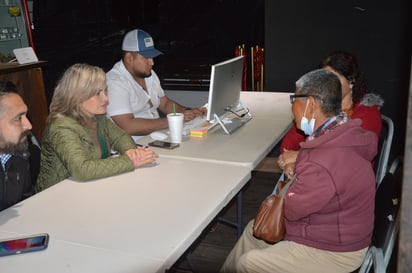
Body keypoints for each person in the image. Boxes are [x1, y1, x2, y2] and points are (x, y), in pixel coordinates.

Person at [220, 69, 377, 273]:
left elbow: (293, 210)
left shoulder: (322, 161)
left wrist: (296, 176)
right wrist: (301, 168)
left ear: (311, 103)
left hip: (333, 251)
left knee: (248, 264)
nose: (292, 106)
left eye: (294, 98)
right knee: (254, 230)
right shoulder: (342, 134)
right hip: (334, 230)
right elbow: (324, 176)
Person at [35, 63, 159, 192]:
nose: (106, 98)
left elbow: (120, 137)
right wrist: (131, 161)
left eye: (105, 91)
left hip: (87, 189)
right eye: (97, 93)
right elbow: (82, 169)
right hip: (56, 196)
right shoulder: (61, 127)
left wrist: (131, 151)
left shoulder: (97, 116)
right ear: (77, 96)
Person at [278, 51, 383, 178]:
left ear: (351, 81)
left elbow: (347, 156)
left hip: (346, 181)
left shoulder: (368, 113)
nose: (327, 85)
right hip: (314, 172)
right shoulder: (319, 106)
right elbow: (289, 143)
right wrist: (290, 165)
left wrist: (300, 156)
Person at [106, 29, 207, 141]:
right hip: (133, 146)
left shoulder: (149, 73)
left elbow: (165, 103)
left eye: (152, 57)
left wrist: (186, 112)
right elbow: (128, 127)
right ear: (129, 58)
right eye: (146, 58)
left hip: (156, 136)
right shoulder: (114, 82)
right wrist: (174, 120)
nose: (152, 62)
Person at [0, 81, 38, 211]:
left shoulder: (18, 154)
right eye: (18, 118)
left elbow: (26, 202)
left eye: (25, 115)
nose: (28, 125)